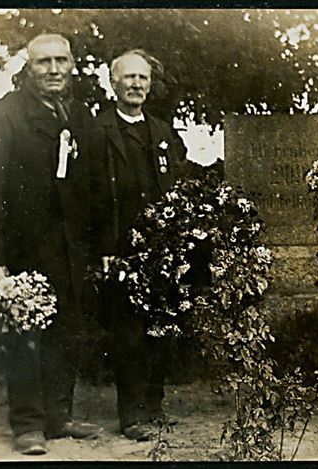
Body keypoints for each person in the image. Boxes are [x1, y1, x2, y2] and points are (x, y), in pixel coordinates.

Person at [0, 33, 103, 455]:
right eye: (44, 62)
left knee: (67, 331)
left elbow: (91, 186)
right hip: (22, 249)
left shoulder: (78, 115)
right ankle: (27, 425)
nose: (54, 70)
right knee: (25, 335)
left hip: (68, 248)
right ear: (28, 69)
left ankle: (58, 416)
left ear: (72, 66)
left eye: (62, 61)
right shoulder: (3, 116)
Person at [91, 50, 189, 441]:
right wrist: (102, 247)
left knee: (160, 329)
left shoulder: (163, 132)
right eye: (128, 77)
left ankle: (154, 405)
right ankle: (131, 414)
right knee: (128, 333)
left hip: (161, 249)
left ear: (151, 85)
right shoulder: (97, 131)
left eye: (142, 78)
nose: (136, 84)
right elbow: (90, 196)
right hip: (119, 248)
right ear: (113, 83)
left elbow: (179, 186)